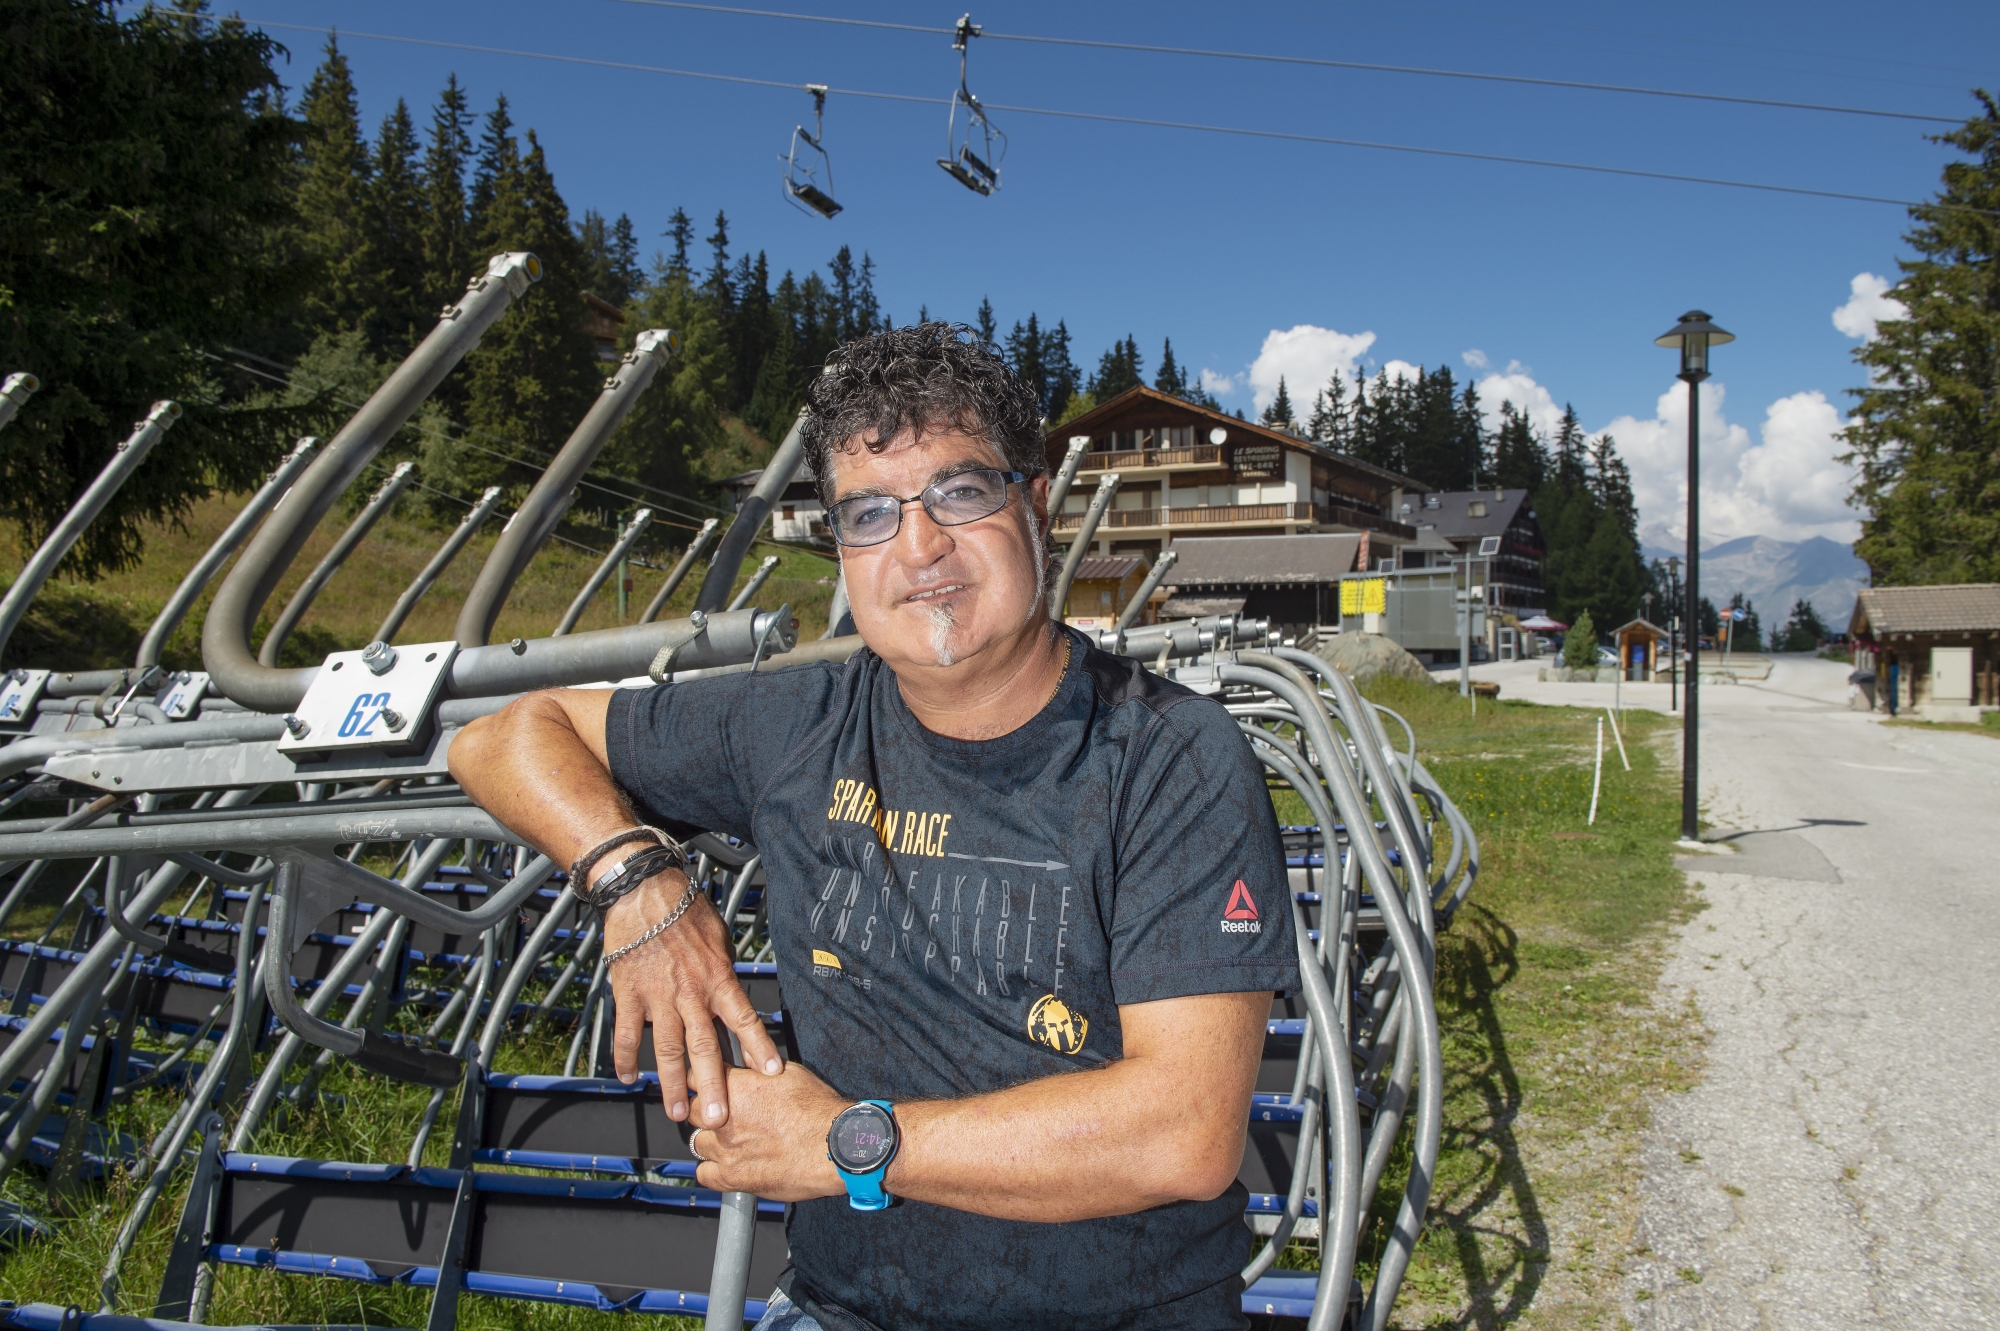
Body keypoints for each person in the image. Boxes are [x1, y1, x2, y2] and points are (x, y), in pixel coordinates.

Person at [450, 323, 1298, 1331]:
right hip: (846, 1305)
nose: (920, 547)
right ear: (841, 548)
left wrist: (850, 1139)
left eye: (961, 492)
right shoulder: (796, 721)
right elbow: (502, 734)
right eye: (869, 513)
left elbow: (1181, 1130)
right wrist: (636, 880)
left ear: (1035, 507)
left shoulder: (1168, 755)